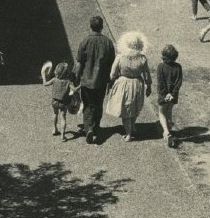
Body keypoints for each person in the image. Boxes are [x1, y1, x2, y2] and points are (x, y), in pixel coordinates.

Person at [74, 15, 116, 144]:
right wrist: (111, 80)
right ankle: (96, 128)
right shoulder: (108, 42)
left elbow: (79, 63)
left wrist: (76, 77)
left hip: (86, 81)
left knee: (87, 105)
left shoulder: (85, 42)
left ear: (90, 26)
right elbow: (111, 63)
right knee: (98, 105)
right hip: (101, 81)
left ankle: (88, 128)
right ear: (102, 27)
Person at [105, 31, 152, 142]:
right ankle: (133, 125)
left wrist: (113, 81)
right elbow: (147, 75)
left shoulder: (120, 57)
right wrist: (148, 86)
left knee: (125, 110)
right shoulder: (142, 58)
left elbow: (112, 74)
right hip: (137, 84)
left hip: (123, 84)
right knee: (135, 107)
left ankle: (128, 134)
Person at [42, 62, 80, 142]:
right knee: (63, 118)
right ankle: (62, 136)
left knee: (55, 114)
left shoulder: (54, 79)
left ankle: (54, 129)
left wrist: (44, 76)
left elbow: (45, 84)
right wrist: (81, 84)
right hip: (64, 103)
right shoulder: (68, 82)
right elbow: (75, 90)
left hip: (54, 101)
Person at [156, 45, 183, 147]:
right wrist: (172, 94)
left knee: (162, 112)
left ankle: (166, 131)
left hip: (163, 94)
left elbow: (160, 82)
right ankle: (169, 129)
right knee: (169, 111)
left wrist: (165, 93)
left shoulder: (160, 67)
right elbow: (179, 82)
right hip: (173, 96)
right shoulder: (178, 67)